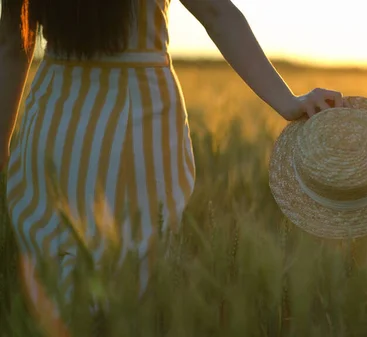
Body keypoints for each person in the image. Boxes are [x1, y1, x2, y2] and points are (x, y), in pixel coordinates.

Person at [0, 0, 344, 324]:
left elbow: (13, 42)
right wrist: (286, 102)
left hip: (57, 118)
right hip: (139, 113)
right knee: (131, 286)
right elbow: (216, 13)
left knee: (55, 280)